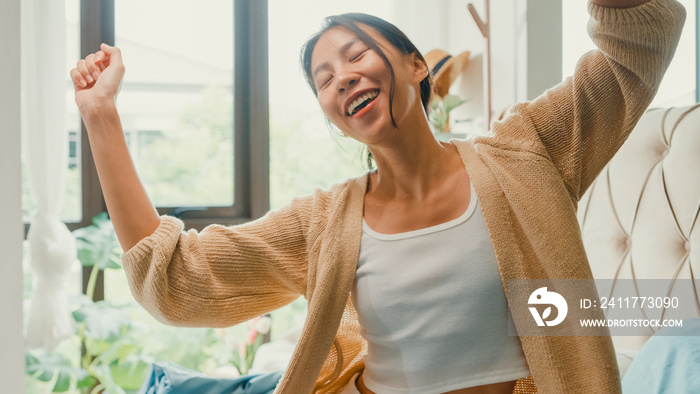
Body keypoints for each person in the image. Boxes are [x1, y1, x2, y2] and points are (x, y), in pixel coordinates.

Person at [70, 0, 685, 393]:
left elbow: (638, 43)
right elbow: (178, 283)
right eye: (325, 79)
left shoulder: (525, 153)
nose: (344, 77)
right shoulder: (324, 222)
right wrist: (100, 116)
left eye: (357, 53)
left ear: (417, 65)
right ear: (334, 116)